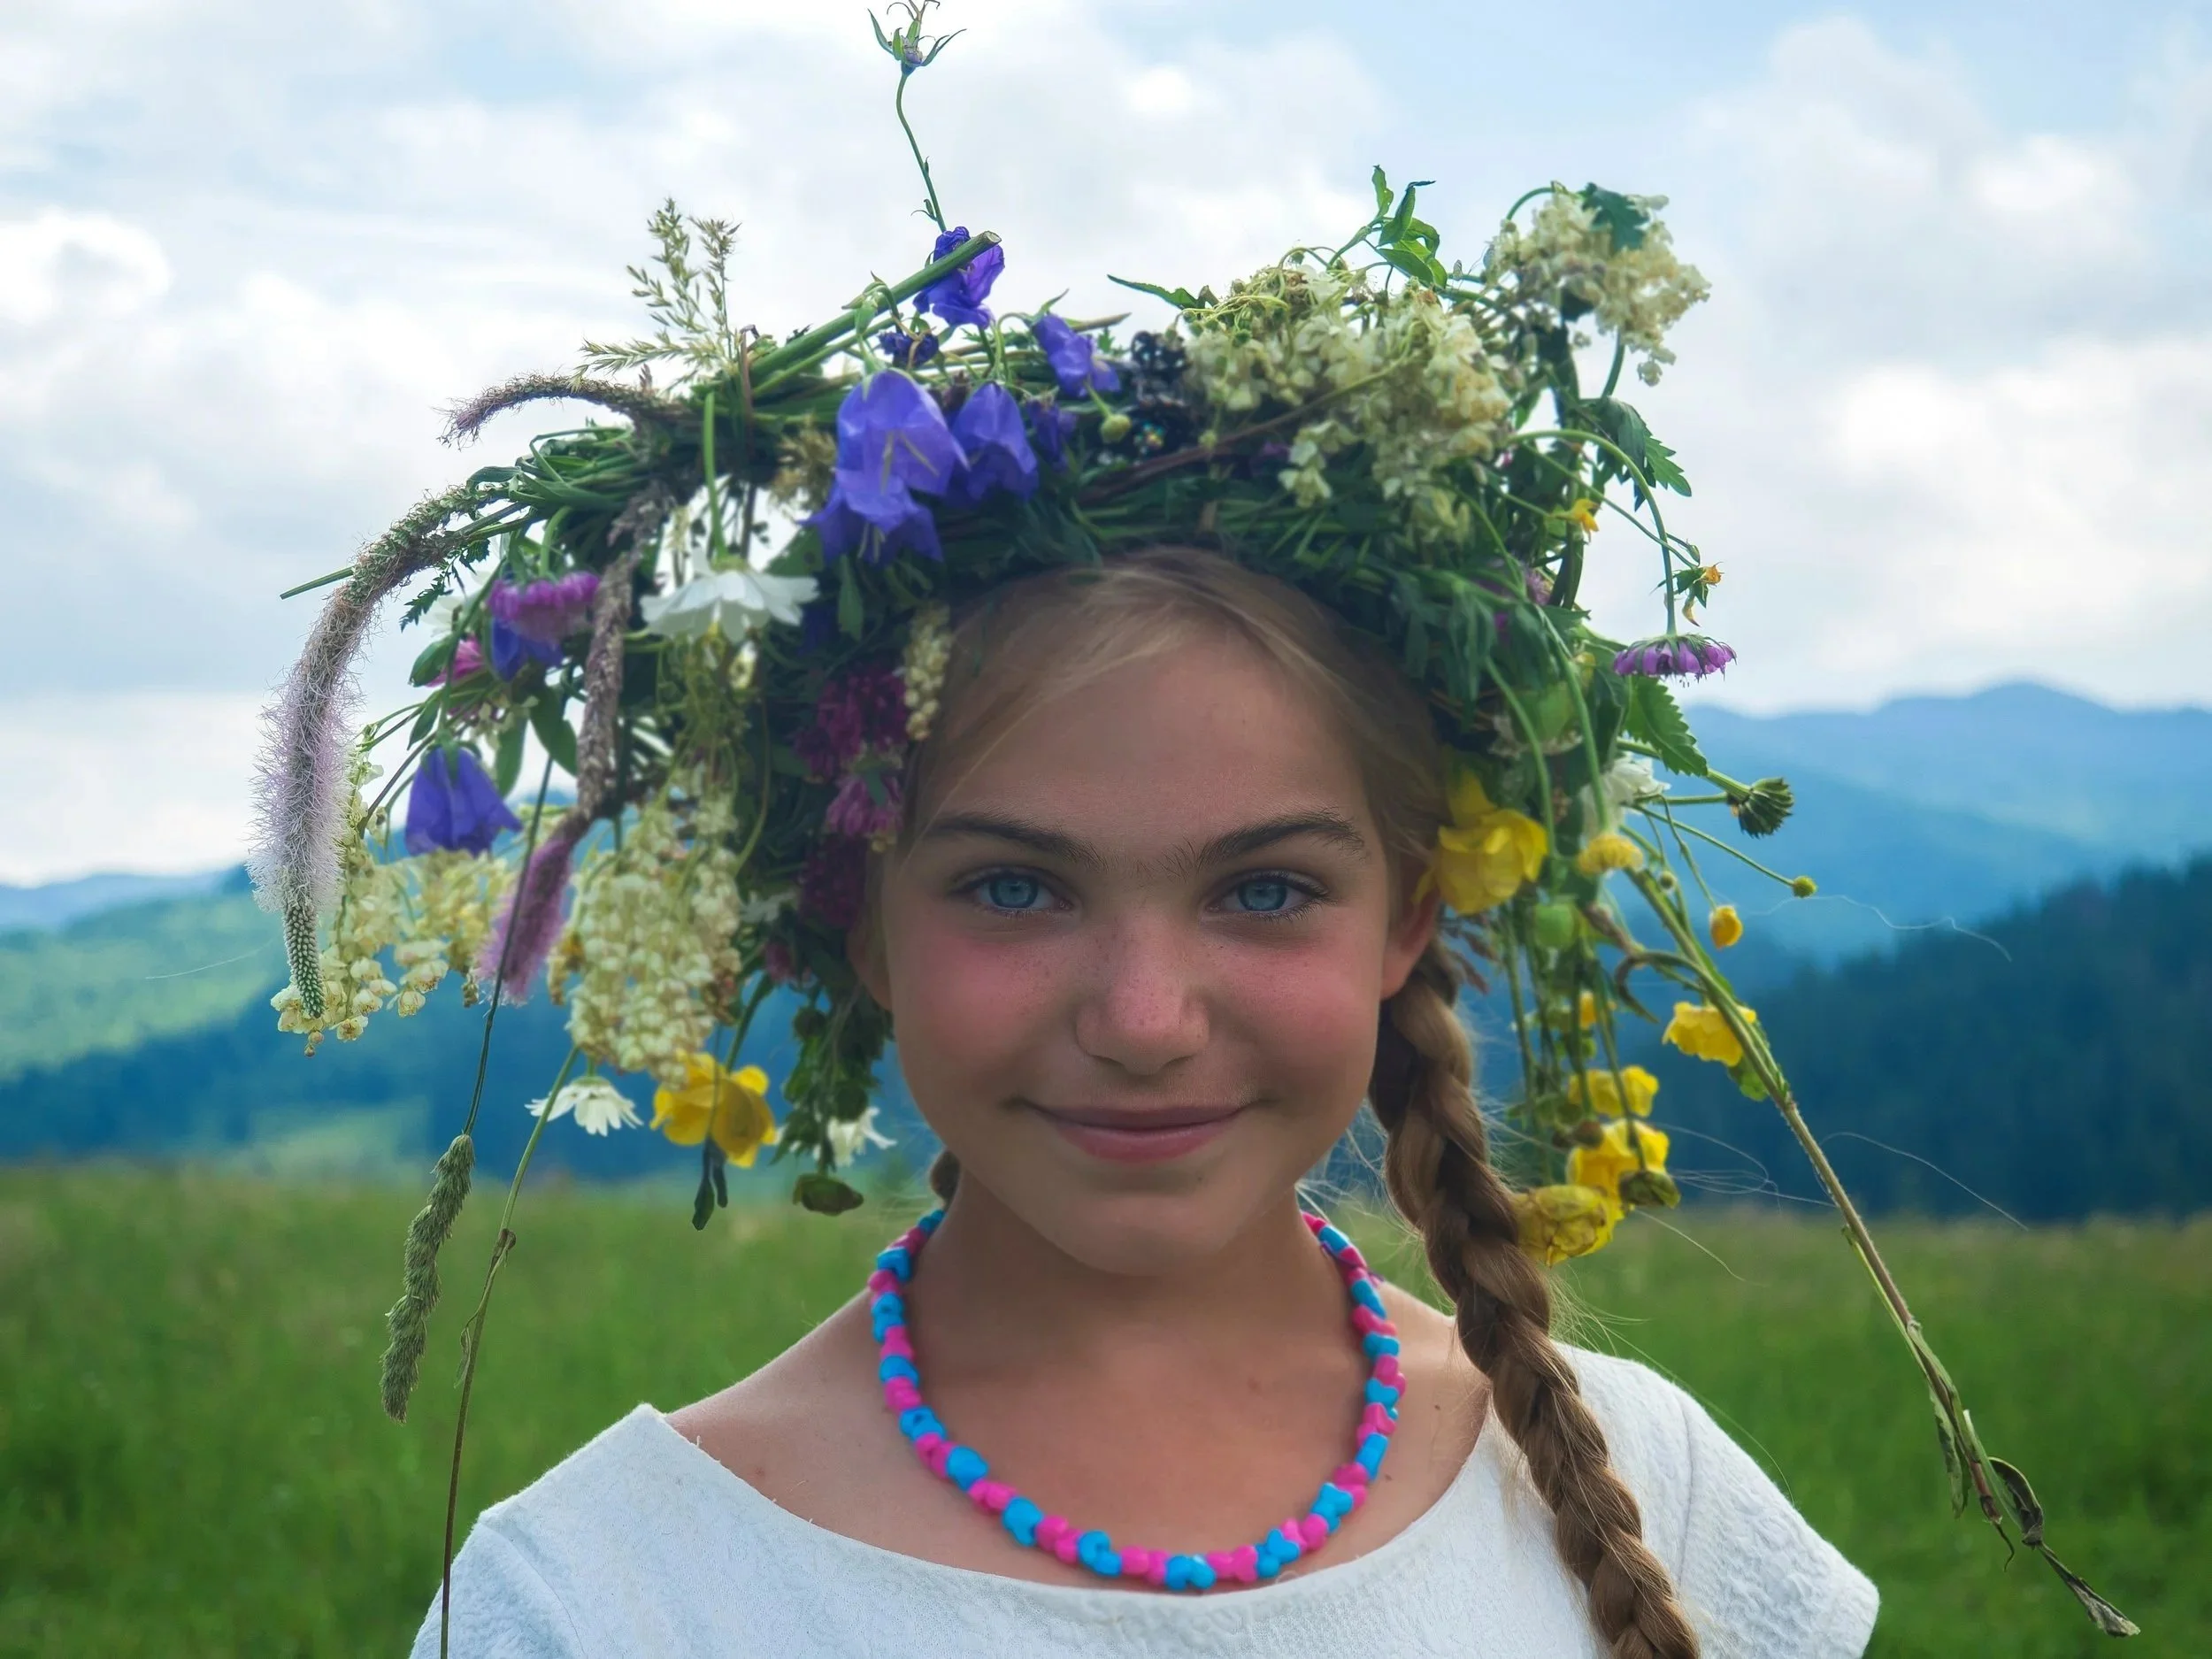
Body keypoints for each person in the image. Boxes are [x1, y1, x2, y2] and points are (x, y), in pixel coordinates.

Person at [412, 550, 1878, 1657]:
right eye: (1013, 886)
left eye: (1264, 890)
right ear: (862, 924)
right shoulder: (597, 1595)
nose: (1141, 1020)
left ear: (1406, 919)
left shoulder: (1655, 1499)